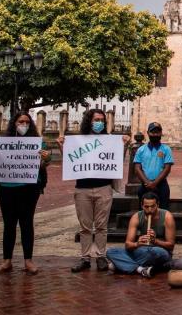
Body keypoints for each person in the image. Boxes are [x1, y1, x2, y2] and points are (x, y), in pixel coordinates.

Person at [58, 108, 129, 273]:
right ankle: (85, 258)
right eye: (96, 120)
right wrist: (61, 146)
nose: (100, 123)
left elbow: (116, 159)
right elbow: (70, 159)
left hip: (104, 188)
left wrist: (124, 145)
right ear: (89, 121)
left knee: (102, 226)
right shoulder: (78, 141)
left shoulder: (109, 140)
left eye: (102, 120)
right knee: (85, 227)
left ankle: (101, 256)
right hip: (82, 189)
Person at [0, 112, 50, 275]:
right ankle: (7, 261)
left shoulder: (37, 143)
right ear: (14, 123)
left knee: (26, 223)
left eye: (27, 122)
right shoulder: (2, 143)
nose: (24, 125)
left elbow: (43, 164)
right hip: (7, 187)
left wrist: (46, 158)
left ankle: (28, 260)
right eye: (20, 122)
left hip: (29, 188)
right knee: (9, 224)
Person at [106, 192, 176, 278]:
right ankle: (141, 269)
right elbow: (128, 245)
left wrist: (155, 241)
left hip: (160, 251)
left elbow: (171, 246)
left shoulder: (167, 217)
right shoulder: (136, 217)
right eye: (146, 207)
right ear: (142, 205)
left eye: (153, 206)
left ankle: (121, 264)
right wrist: (137, 244)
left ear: (158, 205)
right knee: (111, 251)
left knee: (154, 252)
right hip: (142, 251)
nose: (150, 210)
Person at [133, 122, 174, 209]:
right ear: (148, 133)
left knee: (163, 211)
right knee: (144, 212)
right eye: (152, 132)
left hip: (161, 185)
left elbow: (167, 168)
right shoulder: (141, 150)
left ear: (161, 133)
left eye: (157, 132)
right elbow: (137, 168)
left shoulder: (166, 149)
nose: (155, 134)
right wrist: (147, 183)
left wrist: (155, 183)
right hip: (145, 185)